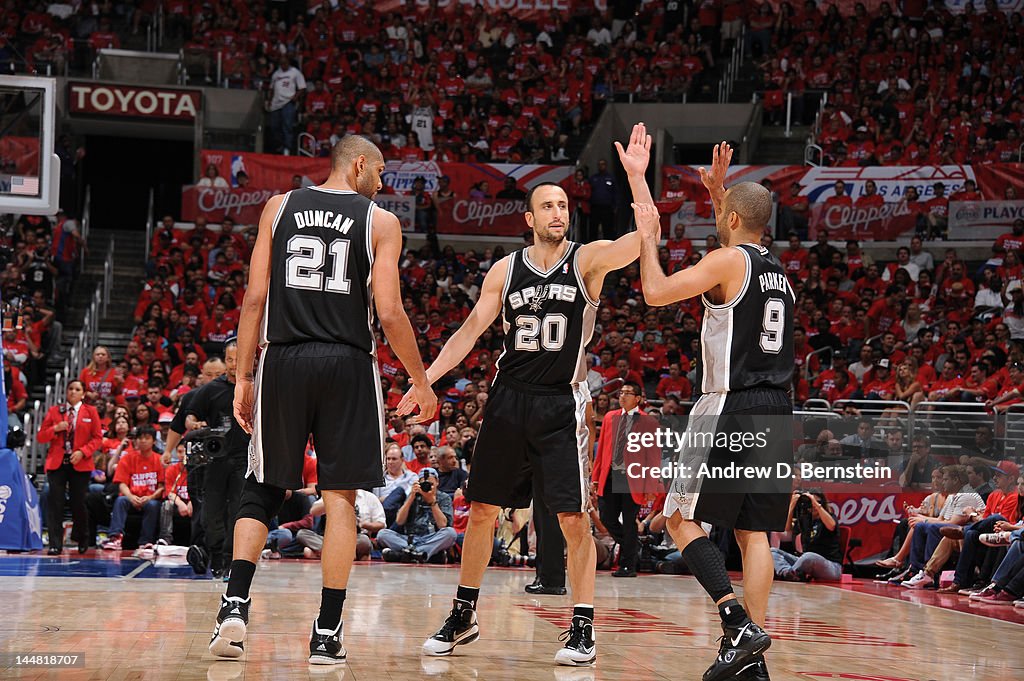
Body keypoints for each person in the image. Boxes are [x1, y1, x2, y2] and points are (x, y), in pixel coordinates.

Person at [418, 123, 654, 666]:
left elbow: (645, 240)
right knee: (480, 511)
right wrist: (427, 377)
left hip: (559, 403)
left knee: (572, 520)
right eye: (547, 206)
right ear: (528, 218)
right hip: (507, 398)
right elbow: (471, 330)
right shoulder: (505, 270)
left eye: (564, 206)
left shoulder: (588, 259)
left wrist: (638, 181)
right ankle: (463, 613)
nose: (557, 213)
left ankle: (582, 626)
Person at [210, 135, 436, 664]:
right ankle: (327, 634)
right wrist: (420, 379)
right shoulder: (379, 222)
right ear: (359, 165)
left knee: (263, 484)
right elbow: (391, 310)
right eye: (379, 173)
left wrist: (243, 376)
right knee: (340, 501)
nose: (382, 184)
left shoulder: (278, 206)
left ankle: (235, 606)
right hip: (348, 363)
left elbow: (254, 298)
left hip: (283, 359)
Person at [632, 141, 795, 681]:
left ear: (729, 219)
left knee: (678, 519)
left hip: (730, 404)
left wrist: (650, 240)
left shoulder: (726, 260)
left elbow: (655, 293)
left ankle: (734, 620)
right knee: (754, 536)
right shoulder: (781, 274)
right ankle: (754, 663)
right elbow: (737, 230)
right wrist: (718, 193)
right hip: (777, 409)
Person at [164, 344, 248, 578]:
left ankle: (231, 561)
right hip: (214, 459)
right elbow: (188, 416)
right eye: (230, 359)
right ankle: (215, 555)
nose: (233, 363)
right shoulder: (211, 389)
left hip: (243, 459)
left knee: (237, 513)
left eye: (237, 358)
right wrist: (193, 423)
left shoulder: (254, 386)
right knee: (210, 514)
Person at [591, 382, 659, 577]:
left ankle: (628, 565)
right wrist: (595, 479)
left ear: (638, 398)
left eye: (628, 393)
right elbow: (602, 449)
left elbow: (653, 456)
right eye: (621, 393)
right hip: (611, 476)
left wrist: (651, 487)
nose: (623, 396)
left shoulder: (648, 422)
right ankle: (632, 546)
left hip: (633, 479)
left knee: (629, 522)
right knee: (607, 518)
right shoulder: (610, 417)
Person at [37, 380, 104, 554]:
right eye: (71, 389)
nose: (73, 392)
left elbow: (97, 438)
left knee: (78, 503)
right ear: (66, 392)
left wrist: (83, 452)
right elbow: (41, 437)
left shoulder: (91, 411)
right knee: (55, 504)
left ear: (83, 394)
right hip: (57, 463)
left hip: (80, 463)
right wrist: (55, 428)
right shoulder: (55, 411)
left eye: (77, 389)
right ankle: (55, 544)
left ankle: (82, 537)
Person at [377, 467, 457, 562]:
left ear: (437, 482)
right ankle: (423, 555)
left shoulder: (444, 497)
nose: (427, 487)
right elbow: (399, 521)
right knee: (382, 534)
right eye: (424, 484)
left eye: (431, 484)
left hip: (431, 538)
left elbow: (443, 525)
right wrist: (411, 497)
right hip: (409, 539)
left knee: (450, 533)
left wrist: (432, 502)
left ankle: (407, 554)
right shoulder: (413, 496)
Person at [771, 490, 842, 582]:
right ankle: (789, 573)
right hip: (805, 561)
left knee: (809, 556)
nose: (813, 506)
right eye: (811, 503)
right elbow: (786, 528)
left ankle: (790, 573)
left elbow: (831, 526)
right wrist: (792, 505)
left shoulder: (830, 517)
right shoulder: (805, 519)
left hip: (831, 566)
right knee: (772, 551)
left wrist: (816, 503)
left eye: (818, 502)